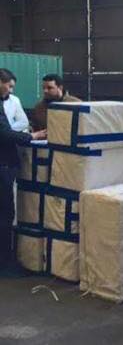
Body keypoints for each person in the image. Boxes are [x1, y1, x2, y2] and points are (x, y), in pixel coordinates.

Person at [0, 69, 47, 270]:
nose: (10, 91)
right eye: (9, 86)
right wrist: (32, 136)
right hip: (3, 164)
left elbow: (22, 123)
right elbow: (4, 133)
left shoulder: (12, 101)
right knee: (5, 213)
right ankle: (5, 263)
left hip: (6, 163)